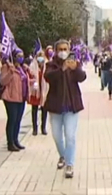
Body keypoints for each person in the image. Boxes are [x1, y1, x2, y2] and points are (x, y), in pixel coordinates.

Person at [43, 39, 86, 179]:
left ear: (69, 50)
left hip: (71, 107)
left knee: (70, 136)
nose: (63, 52)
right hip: (56, 107)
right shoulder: (51, 65)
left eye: (65, 49)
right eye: (60, 49)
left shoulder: (74, 63)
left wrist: (75, 69)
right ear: (56, 51)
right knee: (56, 136)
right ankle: (63, 155)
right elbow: (48, 77)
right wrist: (62, 69)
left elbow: (82, 77)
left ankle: (70, 164)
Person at [0, 49, 31, 152]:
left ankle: (16, 140)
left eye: (22, 56)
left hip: (21, 98)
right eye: (18, 56)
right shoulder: (7, 67)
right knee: (12, 119)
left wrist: (29, 72)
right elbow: (3, 81)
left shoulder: (23, 68)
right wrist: (11, 72)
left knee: (18, 120)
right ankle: (10, 143)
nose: (20, 58)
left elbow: (27, 80)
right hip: (11, 97)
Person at [28, 50, 49, 136]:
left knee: (44, 110)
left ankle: (43, 127)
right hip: (35, 91)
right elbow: (30, 76)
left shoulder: (47, 66)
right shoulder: (32, 66)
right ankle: (34, 128)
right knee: (34, 110)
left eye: (42, 56)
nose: (40, 59)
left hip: (44, 91)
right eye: (39, 56)